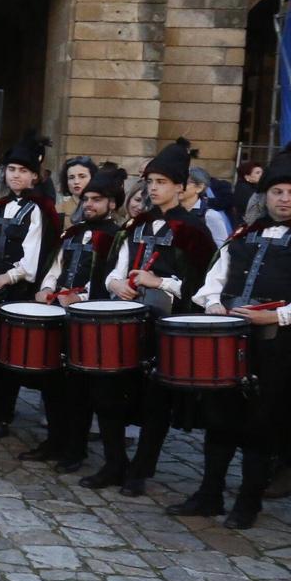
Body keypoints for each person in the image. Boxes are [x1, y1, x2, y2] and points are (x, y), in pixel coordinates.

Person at [84, 140, 216, 493]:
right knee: (108, 390)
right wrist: (117, 284)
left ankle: (140, 471)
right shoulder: (136, 225)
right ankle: (114, 463)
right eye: (151, 182)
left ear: (179, 187)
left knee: (156, 400)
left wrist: (160, 282)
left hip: (165, 325)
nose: (154, 188)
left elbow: (201, 286)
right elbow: (114, 270)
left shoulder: (193, 230)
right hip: (126, 321)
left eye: (161, 182)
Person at [176, 145, 291, 528]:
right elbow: (211, 283)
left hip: (277, 346)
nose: (284, 199)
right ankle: (209, 493)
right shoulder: (241, 236)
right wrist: (213, 306)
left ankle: (248, 502)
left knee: (261, 425)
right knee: (219, 417)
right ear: (265, 196)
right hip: (229, 341)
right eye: (277, 192)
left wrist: (276, 314)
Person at [0, 133, 61, 442]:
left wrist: (10, 276)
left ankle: (0, 417)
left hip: (16, 293)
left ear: (34, 176)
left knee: (2, 359)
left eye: (22, 171)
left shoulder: (41, 211)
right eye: (11, 170)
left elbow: (34, 259)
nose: (15, 175)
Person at [25, 166, 126, 473]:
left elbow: (111, 281)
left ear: (112, 203)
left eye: (97, 199)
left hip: (91, 324)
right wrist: (45, 288)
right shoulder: (72, 232)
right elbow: (56, 267)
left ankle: (76, 448)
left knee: (81, 391)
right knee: (53, 383)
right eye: (87, 199)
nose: (89, 204)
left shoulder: (116, 238)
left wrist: (80, 299)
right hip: (59, 317)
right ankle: (55, 440)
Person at [184, 166, 232, 247]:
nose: (179, 186)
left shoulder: (209, 215)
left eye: (185, 183)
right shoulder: (169, 212)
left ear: (199, 187)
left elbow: (220, 250)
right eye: (176, 182)